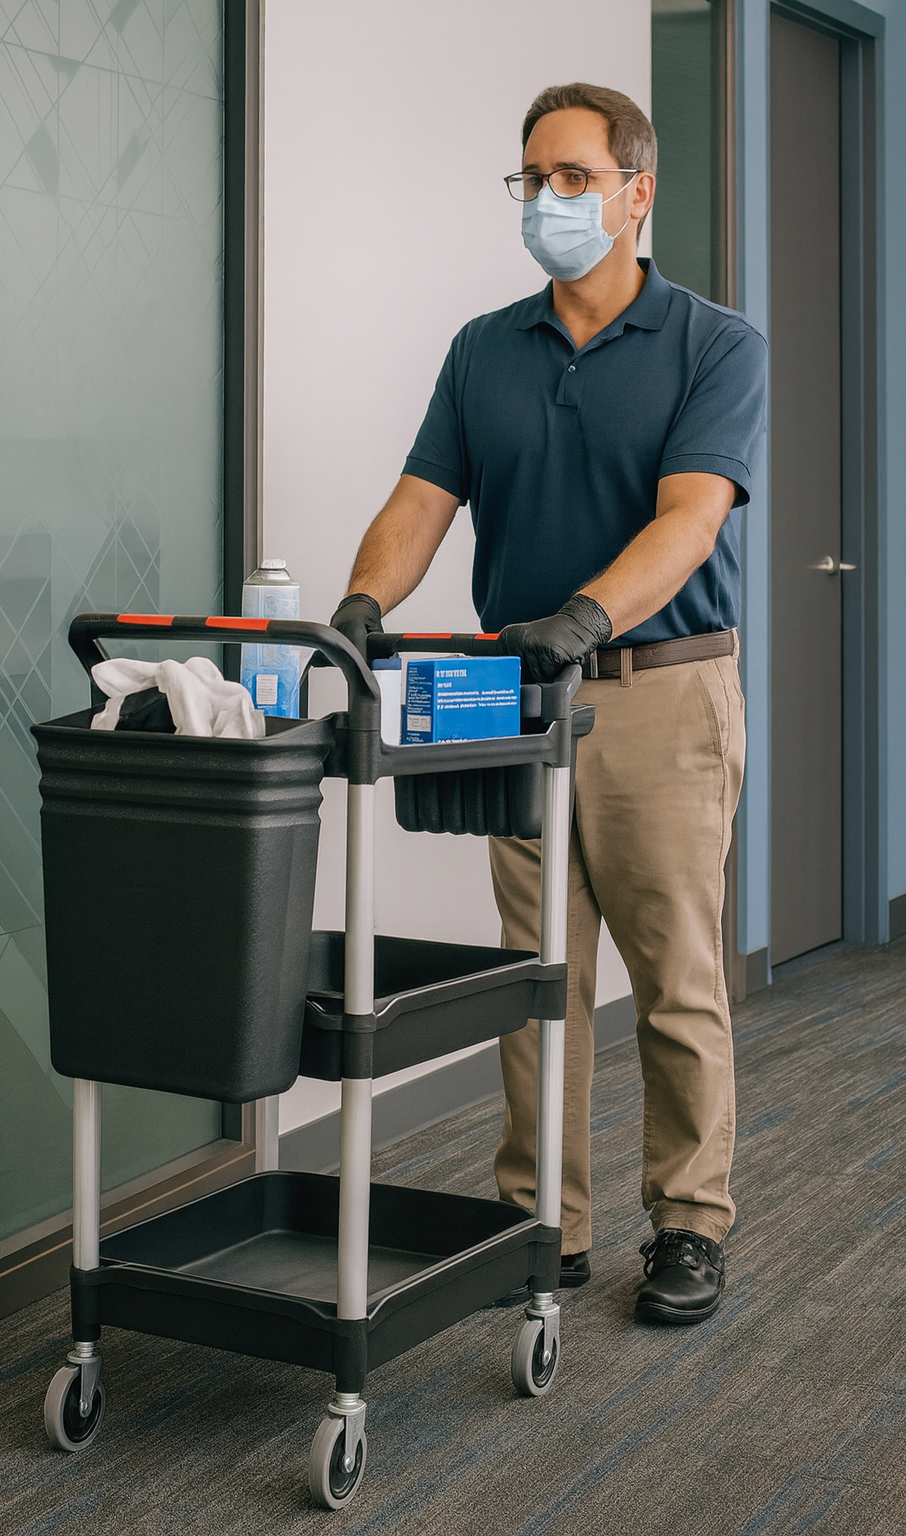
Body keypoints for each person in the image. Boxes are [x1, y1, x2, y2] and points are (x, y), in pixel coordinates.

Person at [329, 82, 767, 1324]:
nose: (548, 200)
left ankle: (687, 1222)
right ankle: (543, 1224)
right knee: (533, 977)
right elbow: (422, 498)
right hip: (510, 702)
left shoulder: (714, 344)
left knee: (674, 972)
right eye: (533, 178)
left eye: (575, 178)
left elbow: (691, 518)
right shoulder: (484, 348)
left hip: (657, 693)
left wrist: (583, 616)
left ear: (636, 193)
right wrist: (361, 602)